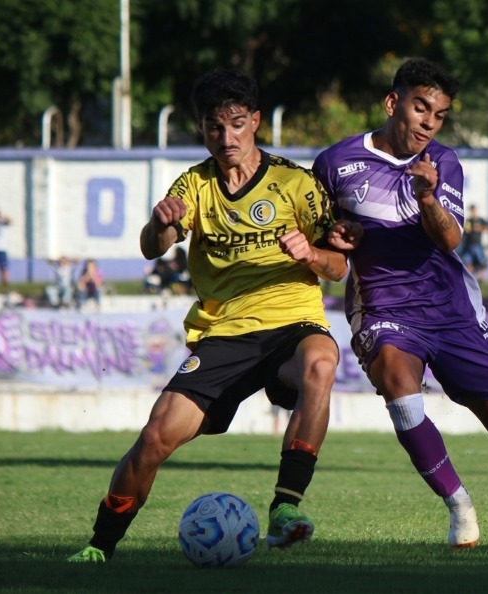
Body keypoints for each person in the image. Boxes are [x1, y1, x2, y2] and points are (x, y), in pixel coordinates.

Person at [312, 57, 488, 562]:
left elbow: (449, 239)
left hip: (450, 309)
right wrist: (336, 237)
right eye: (422, 108)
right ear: (393, 102)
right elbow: (330, 253)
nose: (429, 122)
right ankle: (459, 502)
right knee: (398, 385)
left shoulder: (443, 161)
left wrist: (426, 198)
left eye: (440, 115)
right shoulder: (335, 163)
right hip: (383, 304)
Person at [68, 68, 347, 563]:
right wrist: (160, 223)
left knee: (322, 361)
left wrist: (310, 255)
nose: (226, 138)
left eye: (236, 125)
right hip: (223, 334)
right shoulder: (194, 184)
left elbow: (339, 266)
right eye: (214, 127)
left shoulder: (295, 183)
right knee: (155, 438)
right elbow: (152, 248)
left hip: (291, 324)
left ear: (255, 121)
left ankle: (285, 507)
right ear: (201, 128)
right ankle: (100, 546)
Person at [459, 204, 488, 274]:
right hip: (469, 246)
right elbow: (466, 230)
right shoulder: (469, 221)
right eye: (472, 211)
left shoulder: (480, 220)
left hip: (477, 245)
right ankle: (470, 276)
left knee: (481, 262)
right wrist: (473, 229)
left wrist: (480, 228)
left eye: (474, 211)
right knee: (467, 262)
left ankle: (481, 277)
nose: (473, 212)